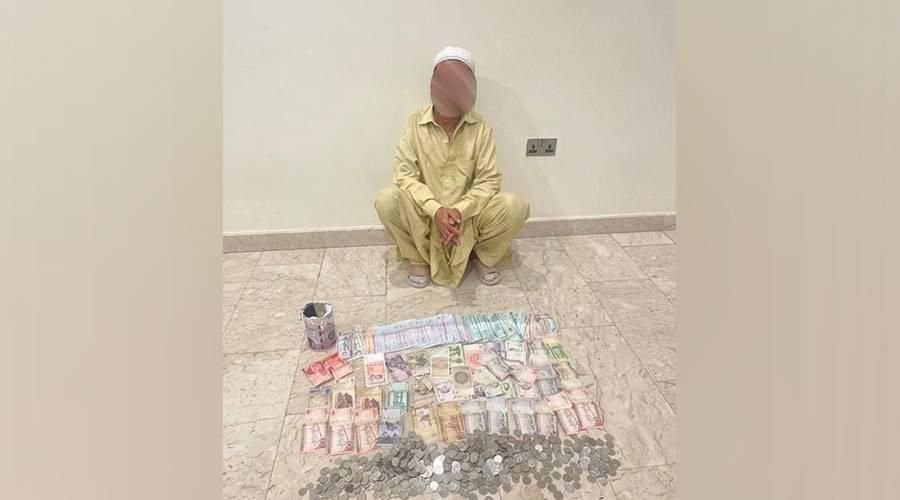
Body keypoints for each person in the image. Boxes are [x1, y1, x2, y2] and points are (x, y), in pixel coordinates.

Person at [375, 46, 530, 288]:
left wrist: (459, 211)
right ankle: (417, 258)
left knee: (514, 206)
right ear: (433, 85)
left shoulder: (480, 127)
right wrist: (436, 210)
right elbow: (405, 176)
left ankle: (482, 256)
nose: (450, 92)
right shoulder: (415, 123)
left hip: (468, 218)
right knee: (386, 200)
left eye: (459, 85)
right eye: (445, 83)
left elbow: (489, 180)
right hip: (424, 216)